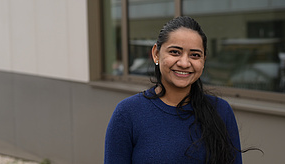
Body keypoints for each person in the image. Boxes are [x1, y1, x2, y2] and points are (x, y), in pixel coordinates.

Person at [104, 16, 242, 164]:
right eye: (175, 52)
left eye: (195, 55)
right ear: (156, 53)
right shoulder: (127, 113)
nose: (184, 63)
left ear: (203, 61)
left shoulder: (221, 111)